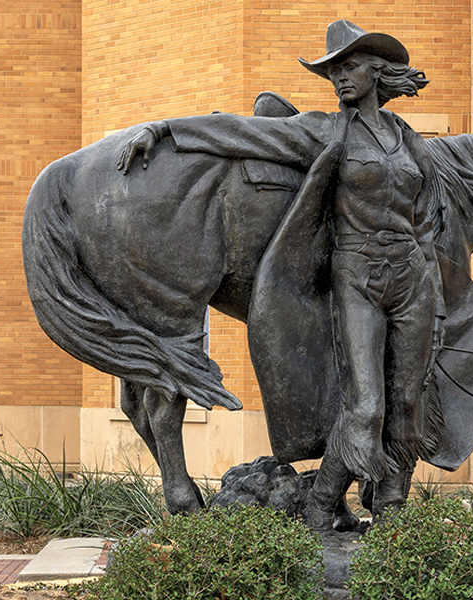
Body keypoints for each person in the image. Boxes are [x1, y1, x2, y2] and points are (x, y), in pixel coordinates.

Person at [118, 20, 446, 531]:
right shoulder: (323, 129)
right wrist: (165, 129)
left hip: (412, 281)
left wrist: (432, 289)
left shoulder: (407, 139)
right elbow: (241, 131)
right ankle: (319, 511)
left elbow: (429, 218)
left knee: (408, 399)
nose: (339, 77)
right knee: (365, 404)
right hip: (357, 278)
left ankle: (393, 515)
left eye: (349, 66)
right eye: (332, 70)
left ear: (378, 73)